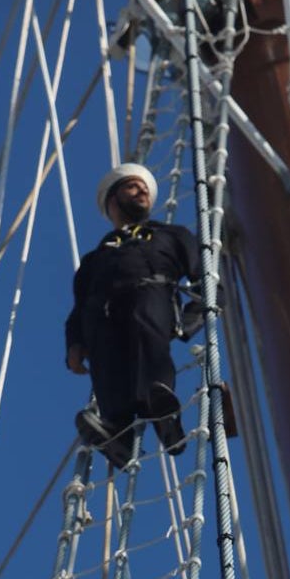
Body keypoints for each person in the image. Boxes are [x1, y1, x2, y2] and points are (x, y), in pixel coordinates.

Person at [65, 163, 205, 469]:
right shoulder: (94, 259)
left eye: (144, 188)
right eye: (132, 186)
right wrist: (74, 345)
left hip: (150, 297)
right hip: (101, 316)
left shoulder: (171, 235)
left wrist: (193, 317)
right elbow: (78, 307)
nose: (141, 190)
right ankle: (117, 432)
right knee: (106, 359)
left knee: (146, 330)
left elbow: (203, 277)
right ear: (113, 200)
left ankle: (164, 412)